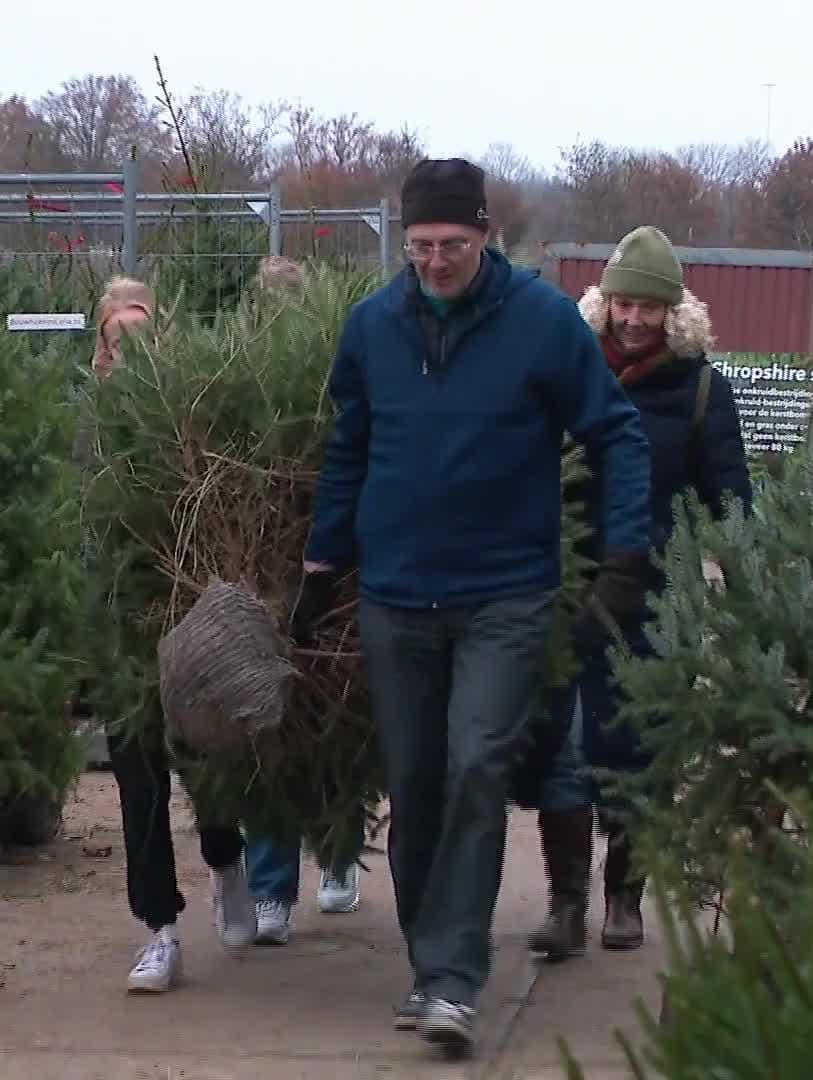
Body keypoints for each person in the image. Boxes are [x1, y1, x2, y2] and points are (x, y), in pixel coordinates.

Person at [292, 157, 653, 1052]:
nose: (435, 262)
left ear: (486, 235)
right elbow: (348, 450)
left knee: (478, 766)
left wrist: (624, 555)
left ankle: (455, 981)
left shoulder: (541, 323)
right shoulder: (372, 328)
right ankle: (431, 967)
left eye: (452, 244)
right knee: (417, 783)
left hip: (506, 595)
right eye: (420, 246)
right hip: (397, 596)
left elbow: (617, 432)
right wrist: (321, 564)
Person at [524, 225, 751, 960]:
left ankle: (625, 892)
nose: (632, 319)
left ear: (673, 312)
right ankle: (566, 901)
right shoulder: (571, 374)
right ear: (604, 303)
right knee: (564, 745)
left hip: (656, 601)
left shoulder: (702, 392)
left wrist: (747, 589)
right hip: (568, 589)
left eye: (647, 308)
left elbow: (731, 502)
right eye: (622, 304)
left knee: (640, 749)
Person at [84, 277, 258, 994]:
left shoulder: (190, 417)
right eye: (117, 339)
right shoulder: (88, 427)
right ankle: (159, 929)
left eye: (143, 335)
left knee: (205, 756)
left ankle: (226, 859)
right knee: (138, 775)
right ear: (102, 349)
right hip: (120, 625)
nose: (130, 350)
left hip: (189, 622)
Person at [239, 251, 371, 945]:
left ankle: (338, 857)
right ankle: (272, 887)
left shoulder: (336, 376)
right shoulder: (240, 380)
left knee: (336, 721)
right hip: (265, 575)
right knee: (270, 731)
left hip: (334, 572)